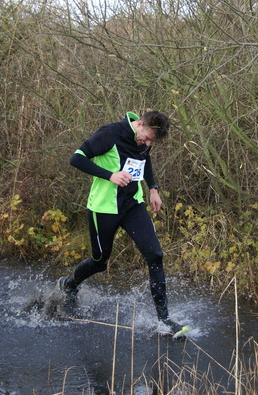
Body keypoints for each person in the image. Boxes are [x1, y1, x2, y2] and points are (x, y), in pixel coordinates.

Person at [58, 111, 188, 337]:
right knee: (100, 262)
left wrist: (153, 188)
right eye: (146, 138)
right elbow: (76, 158)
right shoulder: (110, 134)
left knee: (155, 255)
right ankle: (69, 284)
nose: (147, 144)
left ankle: (165, 320)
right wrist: (110, 175)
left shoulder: (144, 140)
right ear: (139, 124)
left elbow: (144, 159)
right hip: (104, 208)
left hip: (132, 206)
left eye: (151, 142)